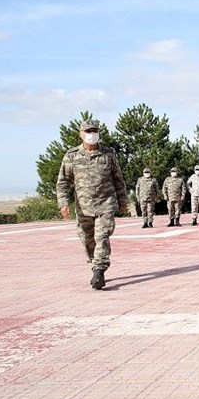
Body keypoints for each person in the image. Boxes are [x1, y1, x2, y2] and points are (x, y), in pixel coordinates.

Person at [56, 119, 128, 290]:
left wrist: (123, 201)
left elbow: (119, 179)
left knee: (102, 237)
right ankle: (94, 263)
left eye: (94, 130)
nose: (91, 134)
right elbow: (63, 182)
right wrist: (63, 203)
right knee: (87, 238)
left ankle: (99, 271)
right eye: (88, 131)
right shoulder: (72, 156)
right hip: (83, 206)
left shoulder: (108, 154)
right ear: (81, 134)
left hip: (106, 204)